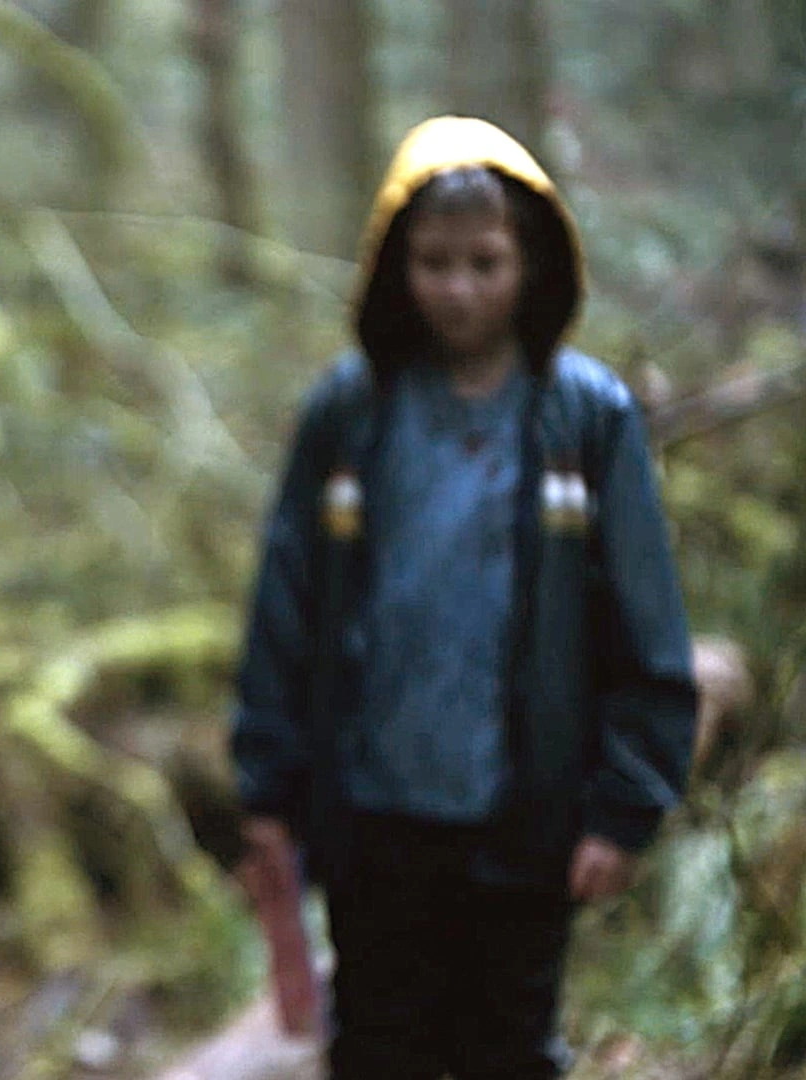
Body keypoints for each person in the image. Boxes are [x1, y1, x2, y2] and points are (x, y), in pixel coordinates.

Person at [230, 116, 696, 1079]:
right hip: (372, 821)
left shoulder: (586, 418)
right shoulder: (350, 413)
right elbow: (288, 600)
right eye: (434, 263)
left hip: (525, 821)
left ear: (532, 263)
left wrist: (624, 807)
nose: (460, 289)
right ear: (393, 267)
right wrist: (267, 782)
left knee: (509, 1051)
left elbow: (645, 620)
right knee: (378, 1048)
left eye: (486, 263)